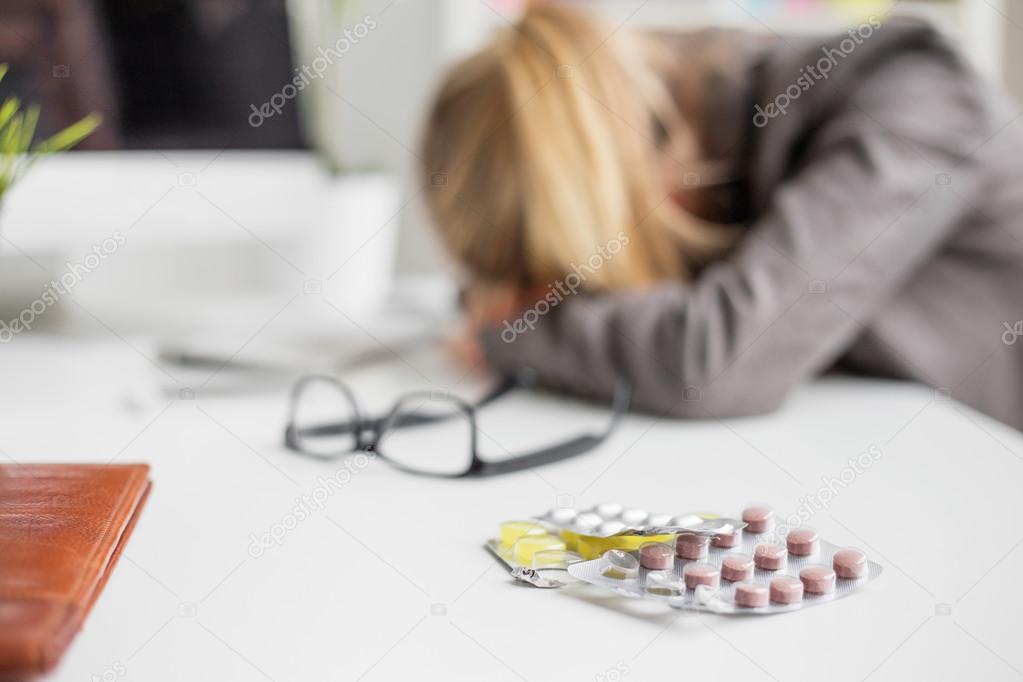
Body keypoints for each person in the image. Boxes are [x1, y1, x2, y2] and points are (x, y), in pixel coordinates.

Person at [419, 4, 1023, 429]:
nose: (570, 301)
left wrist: (513, 332)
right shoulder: (689, 148)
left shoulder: (917, 94)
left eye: (567, 283)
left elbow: (718, 361)